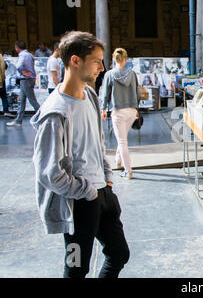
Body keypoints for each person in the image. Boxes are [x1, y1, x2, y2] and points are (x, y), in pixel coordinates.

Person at [30, 31, 129, 278]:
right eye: (96, 61)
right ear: (75, 61)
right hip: (79, 201)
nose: (102, 67)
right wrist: (86, 191)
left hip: (103, 193)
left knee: (119, 253)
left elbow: (96, 142)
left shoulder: (91, 95)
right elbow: (48, 172)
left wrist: (106, 178)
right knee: (76, 268)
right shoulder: (55, 112)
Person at [101, 48, 140, 179]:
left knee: (122, 141)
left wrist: (103, 108)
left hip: (118, 111)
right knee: (122, 138)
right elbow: (138, 92)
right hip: (132, 111)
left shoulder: (109, 74)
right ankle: (118, 160)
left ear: (114, 59)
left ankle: (128, 171)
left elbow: (105, 94)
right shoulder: (132, 74)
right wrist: (137, 108)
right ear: (125, 59)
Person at [7, 40, 40, 127]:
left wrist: (22, 72)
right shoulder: (29, 54)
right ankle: (18, 120)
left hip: (26, 80)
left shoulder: (23, 55)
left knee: (32, 100)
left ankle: (43, 117)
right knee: (21, 100)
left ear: (17, 48)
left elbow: (18, 66)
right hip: (27, 79)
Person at [0, 53, 14, 118]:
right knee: (3, 96)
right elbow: (5, 67)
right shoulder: (1, 57)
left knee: (3, 96)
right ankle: (6, 111)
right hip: (1, 80)